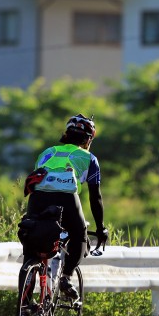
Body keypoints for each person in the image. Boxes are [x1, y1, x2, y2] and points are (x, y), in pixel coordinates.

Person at [24, 113, 108, 300]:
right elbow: (96, 197)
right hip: (66, 198)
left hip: (37, 198)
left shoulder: (47, 152)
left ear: (66, 134)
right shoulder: (89, 158)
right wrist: (101, 228)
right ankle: (66, 277)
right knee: (80, 234)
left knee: (32, 233)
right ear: (88, 140)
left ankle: (28, 279)